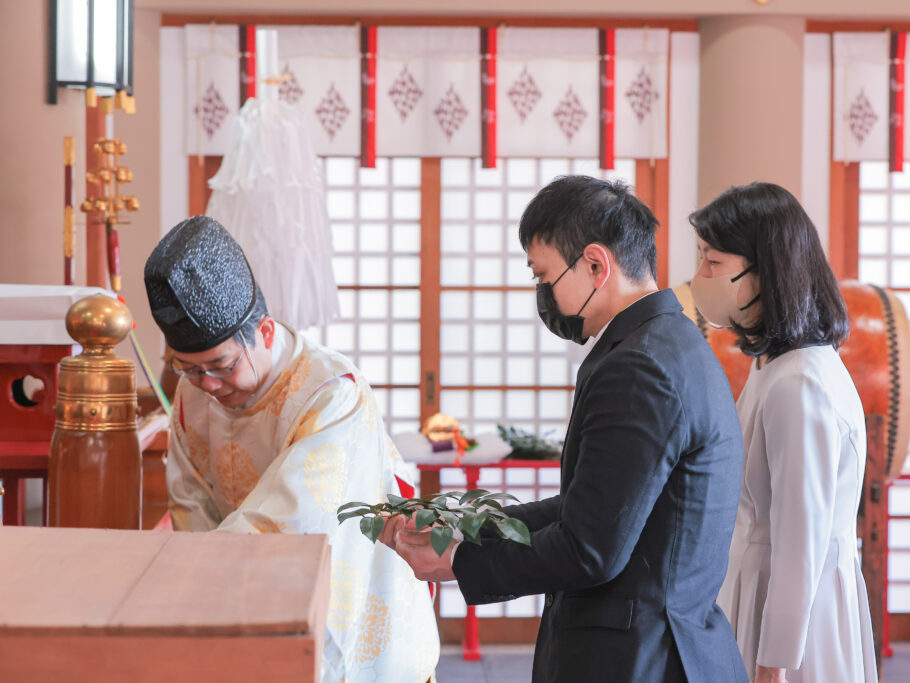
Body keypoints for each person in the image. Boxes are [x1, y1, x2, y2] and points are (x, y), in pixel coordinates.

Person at [383, 176, 748, 682]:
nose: (541, 292)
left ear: (596, 265)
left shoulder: (639, 368)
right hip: (658, 644)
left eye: (543, 275)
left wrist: (459, 561)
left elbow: (590, 549)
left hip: (638, 658)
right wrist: (468, 528)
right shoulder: (671, 342)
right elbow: (591, 506)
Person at [143, 215, 439, 683]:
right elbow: (190, 503)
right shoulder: (192, 395)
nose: (208, 385)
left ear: (262, 332)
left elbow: (291, 519)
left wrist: (191, 573)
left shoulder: (331, 392)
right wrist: (195, 586)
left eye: (220, 365)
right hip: (240, 596)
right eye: (190, 369)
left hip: (351, 596)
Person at [689, 183, 877, 683]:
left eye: (713, 263)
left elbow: (800, 542)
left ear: (763, 270)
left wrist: (774, 664)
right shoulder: (776, 365)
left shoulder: (799, 383)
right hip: (760, 583)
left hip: (788, 607)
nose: (699, 277)